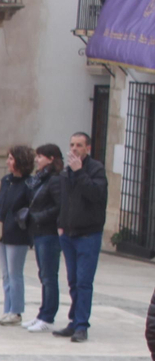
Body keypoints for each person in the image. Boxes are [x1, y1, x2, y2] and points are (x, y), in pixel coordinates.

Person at [55, 131, 107, 343]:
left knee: (84, 282)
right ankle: (73, 321)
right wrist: (60, 224)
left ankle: (81, 326)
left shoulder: (96, 170)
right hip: (68, 234)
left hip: (88, 235)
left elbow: (96, 195)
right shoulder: (67, 172)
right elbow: (65, 201)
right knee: (73, 281)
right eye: (72, 145)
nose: (74, 149)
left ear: (88, 149)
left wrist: (80, 173)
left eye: (79, 145)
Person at [0, 145, 35, 327]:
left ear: (20, 161)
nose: (8, 162)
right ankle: (7, 309)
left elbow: (29, 208)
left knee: (15, 273)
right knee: (5, 274)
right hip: (2, 231)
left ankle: (16, 311)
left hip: (18, 234)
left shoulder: (28, 184)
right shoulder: (6, 180)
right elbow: (1, 203)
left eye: (11, 158)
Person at [25, 144, 65, 333]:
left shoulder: (55, 180)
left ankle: (48, 316)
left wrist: (39, 216)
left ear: (50, 158)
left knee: (49, 276)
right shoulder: (39, 179)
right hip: (39, 232)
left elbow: (59, 206)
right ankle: (42, 313)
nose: (37, 160)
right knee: (43, 275)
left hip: (49, 234)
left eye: (40, 157)